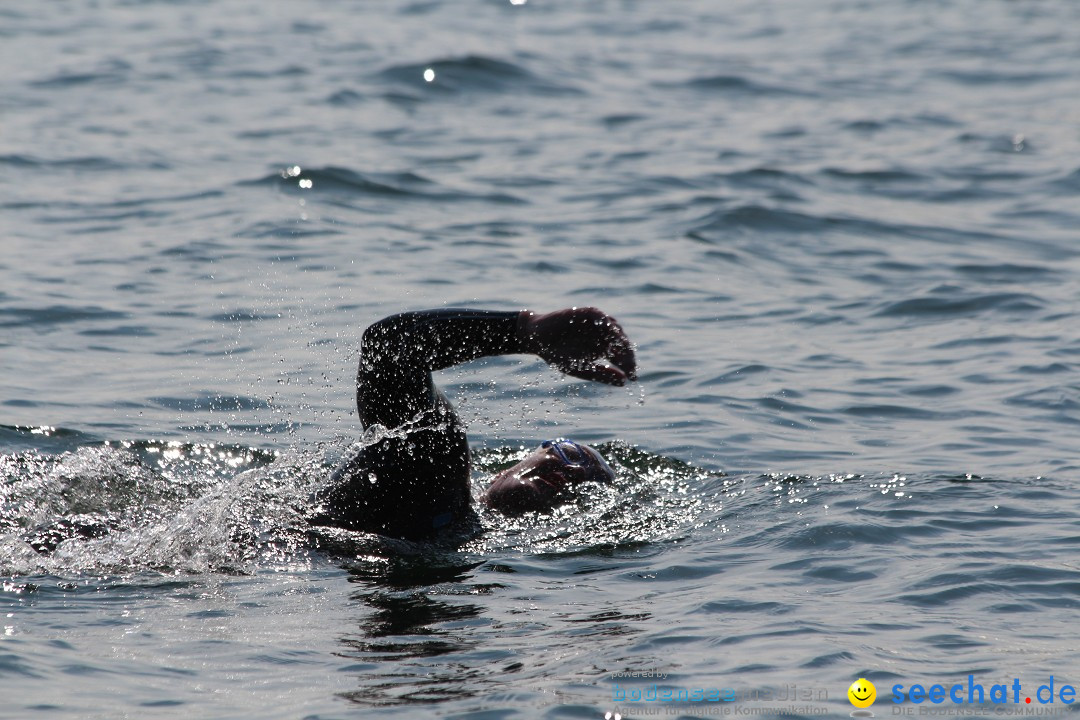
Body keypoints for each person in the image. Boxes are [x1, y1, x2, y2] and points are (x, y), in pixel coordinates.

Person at [310, 306, 637, 541]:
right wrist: (525, 333)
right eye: (570, 454)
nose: (576, 473)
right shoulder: (435, 473)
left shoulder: (505, 583)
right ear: (501, 472)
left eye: (588, 484)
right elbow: (390, 346)